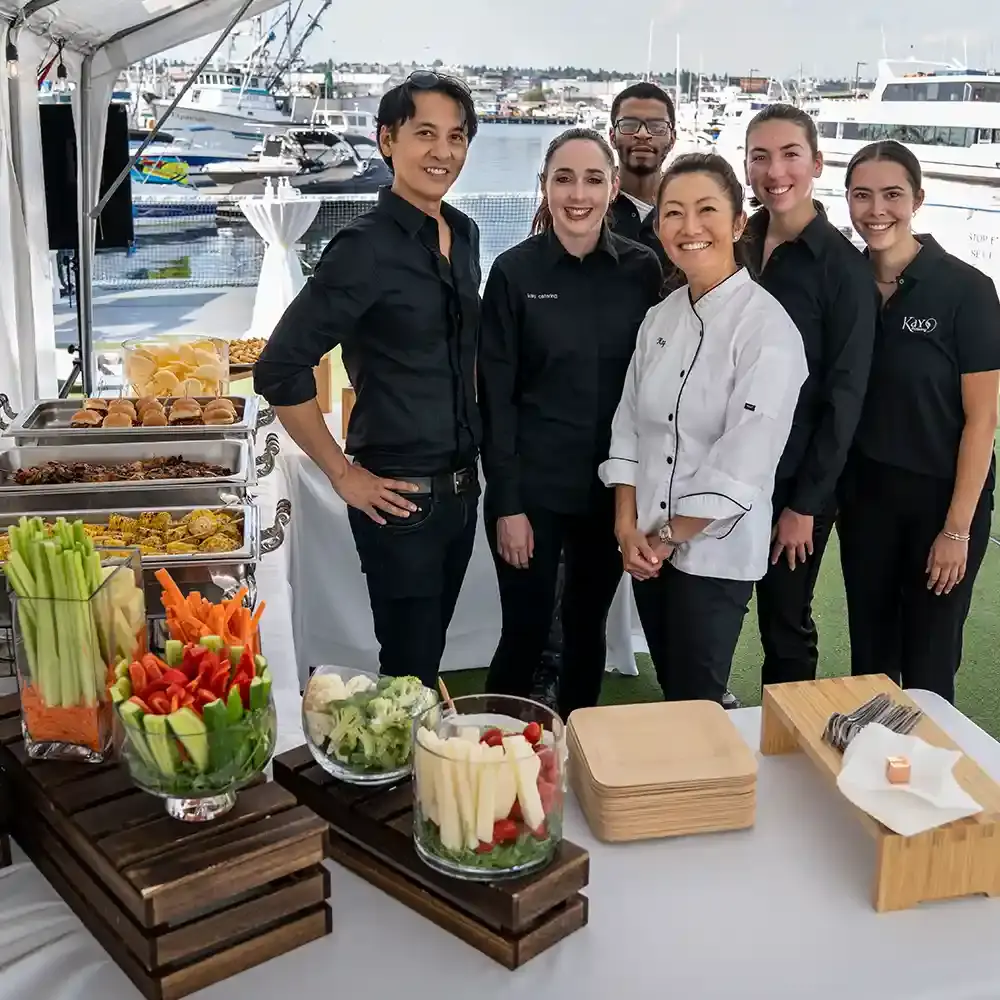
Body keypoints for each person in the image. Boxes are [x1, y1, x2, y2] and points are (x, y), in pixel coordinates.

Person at [253, 72, 480, 689]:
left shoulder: (463, 234)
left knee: (427, 660)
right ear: (387, 140)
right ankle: (397, 755)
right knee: (407, 671)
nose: (443, 152)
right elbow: (279, 366)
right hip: (400, 500)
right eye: (425, 134)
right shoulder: (363, 248)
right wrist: (341, 473)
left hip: (463, 492)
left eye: (456, 137)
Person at [600, 153, 808, 703]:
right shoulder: (660, 317)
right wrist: (626, 526)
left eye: (706, 210)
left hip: (714, 554)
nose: (689, 226)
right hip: (647, 545)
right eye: (673, 212)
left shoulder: (768, 330)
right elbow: (629, 425)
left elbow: (744, 459)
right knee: (674, 688)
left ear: (738, 223)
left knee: (695, 697)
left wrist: (667, 537)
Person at [478, 127, 663, 720]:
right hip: (531, 491)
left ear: (613, 187)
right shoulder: (513, 272)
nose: (577, 194)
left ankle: (579, 748)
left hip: (610, 491)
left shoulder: (642, 269)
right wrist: (508, 504)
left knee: (587, 628)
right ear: (545, 187)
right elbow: (495, 398)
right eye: (564, 179)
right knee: (525, 629)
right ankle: (491, 750)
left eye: (592, 179)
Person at [839, 140, 1000, 703]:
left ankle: (930, 759)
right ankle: (868, 758)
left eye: (892, 194)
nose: (876, 210)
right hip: (866, 501)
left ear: (917, 200)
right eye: (862, 195)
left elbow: (982, 420)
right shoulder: (846, 282)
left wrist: (956, 530)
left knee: (929, 662)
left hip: (941, 501)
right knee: (871, 662)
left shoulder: (966, 290)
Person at [743, 104, 878, 689]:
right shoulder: (735, 243)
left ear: (817, 163)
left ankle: (786, 734)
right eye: (760, 157)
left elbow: (845, 396)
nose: (776, 171)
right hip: (725, 468)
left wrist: (806, 507)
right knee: (708, 613)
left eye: (790, 154)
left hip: (796, 483)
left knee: (784, 623)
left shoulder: (844, 271)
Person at [606, 81, 679, 286]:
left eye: (657, 127)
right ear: (612, 136)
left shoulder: (689, 213)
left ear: (672, 139)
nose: (643, 134)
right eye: (629, 125)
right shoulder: (591, 209)